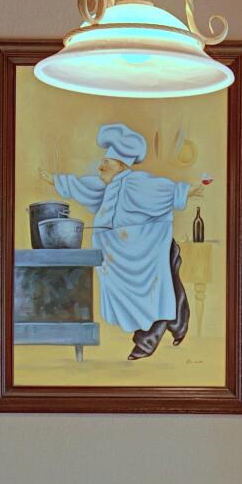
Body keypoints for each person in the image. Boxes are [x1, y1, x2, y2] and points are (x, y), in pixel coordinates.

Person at [51, 123, 210, 360]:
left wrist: (186, 191)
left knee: (151, 291)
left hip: (143, 250)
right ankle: (176, 318)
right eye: (102, 162)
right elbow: (82, 186)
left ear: (122, 165)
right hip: (118, 255)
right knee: (144, 290)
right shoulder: (108, 185)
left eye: (107, 162)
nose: (101, 165)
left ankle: (151, 335)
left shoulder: (136, 182)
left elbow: (162, 190)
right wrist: (54, 180)